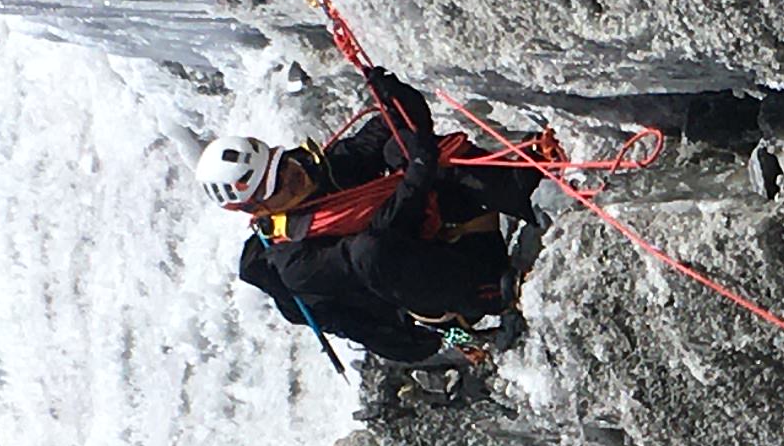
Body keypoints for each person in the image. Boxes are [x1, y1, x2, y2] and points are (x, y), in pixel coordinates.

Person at [203, 69, 546, 375]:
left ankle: (528, 176)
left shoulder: (325, 169)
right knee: (373, 248)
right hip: (445, 312)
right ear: (256, 210)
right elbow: (379, 241)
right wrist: (417, 174)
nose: (293, 178)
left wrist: (393, 95)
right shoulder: (294, 263)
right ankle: (502, 292)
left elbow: (391, 126)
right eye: (276, 185)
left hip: (456, 242)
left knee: (399, 150)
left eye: (284, 166)